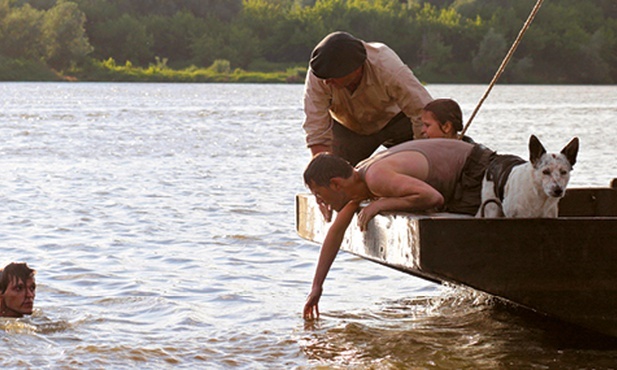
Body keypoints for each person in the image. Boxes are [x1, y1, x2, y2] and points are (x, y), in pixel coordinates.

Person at [302, 139, 495, 320]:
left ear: (336, 184)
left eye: (319, 194)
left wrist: (382, 204)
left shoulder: (375, 177)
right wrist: (317, 287)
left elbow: (433, 197)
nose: (320, 202)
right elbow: (335, 233)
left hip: (478, 167)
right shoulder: (357, 182)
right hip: (465, 172)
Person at [302, 31, 433, 167]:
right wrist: (324, 170)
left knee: (424, 163)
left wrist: (423, 158)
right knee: (332, 175)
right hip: (349, 129)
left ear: (356, 69)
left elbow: (423, 111)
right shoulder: (319, 75)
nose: (326, 82)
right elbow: (316, 129)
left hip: (397, 122)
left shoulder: (387, 65)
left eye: (332, 77)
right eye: (324, 77)